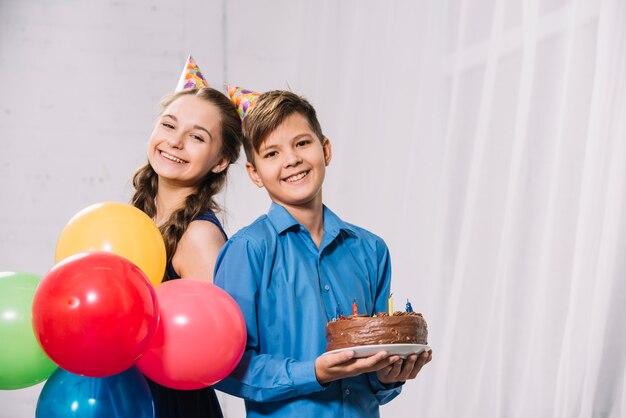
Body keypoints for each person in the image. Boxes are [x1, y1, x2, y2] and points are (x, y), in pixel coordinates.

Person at [213, 89, 432, 417]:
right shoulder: (247, 251)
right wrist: (313, 373)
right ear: (254, 173)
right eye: (272, 153)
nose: (291, 159)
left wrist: (387, 378)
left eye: (302, 143)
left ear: (325, 149)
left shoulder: (371, 250)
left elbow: (375, 365)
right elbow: (226, 366)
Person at [131, 67, 243, 416]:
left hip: (169, 405)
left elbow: (215, 346)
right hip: (127, 396)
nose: (175, 142)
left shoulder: (198, 235)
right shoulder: (138, 219)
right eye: (168, 124)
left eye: (197, 137)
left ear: (220, 161)